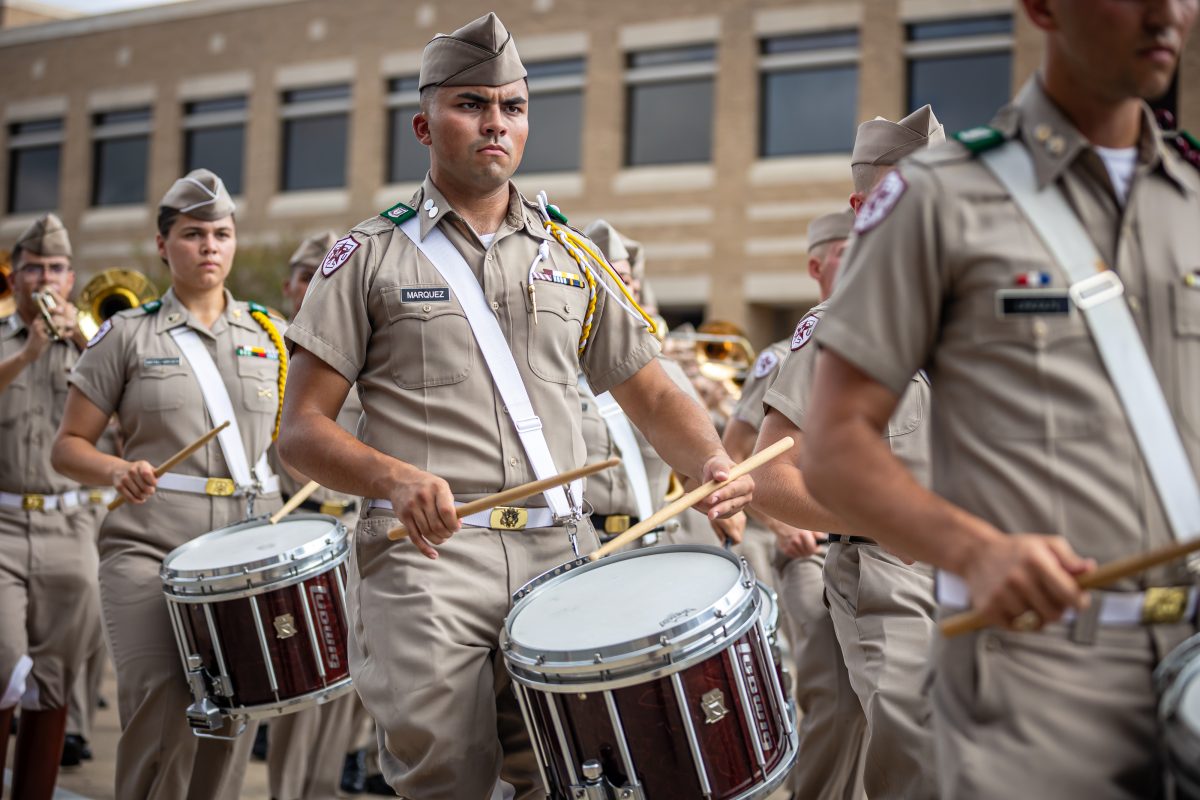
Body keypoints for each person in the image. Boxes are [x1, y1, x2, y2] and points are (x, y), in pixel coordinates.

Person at [276, 13, 752, 799]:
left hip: (562, 555)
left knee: (565, 776)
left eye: (513, 106)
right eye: (472, 104)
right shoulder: (367, 257)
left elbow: (655, 390)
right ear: (425, 124)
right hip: (431, 559)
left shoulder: (574, 257)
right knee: (448, 774)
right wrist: (392, 478)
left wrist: (709, 460)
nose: (495, 122)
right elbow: (302, 431)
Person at [801, 1, 1200, 797]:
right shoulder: (938, 199)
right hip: (1032, 682)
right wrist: (974, 550)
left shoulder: (1191, 197)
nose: (1166, 13)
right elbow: (832, 445)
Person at [51, 168, 285, 799]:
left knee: (230, 723)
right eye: (192, 234)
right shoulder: (126, 336)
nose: (209, 246)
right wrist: (116, 469)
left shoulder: (272, 337)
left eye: (221, 233)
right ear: (163, 246)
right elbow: (68, 447)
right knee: (161, 700)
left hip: (244, 556)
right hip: (149, 547)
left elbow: (297, 445)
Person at [753, 110, 942, 799]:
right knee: (920, 760)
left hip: (988, 567)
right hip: (891, 575)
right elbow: (768, 478)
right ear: (862, 209)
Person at [724, 210, 867, 800]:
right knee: (832, 698)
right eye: (846, 248)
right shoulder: (787, 353)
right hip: (814, 552)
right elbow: (738, 455)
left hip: (899, 553)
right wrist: (782, 525)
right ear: (817, 265)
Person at [0, 213, 101, 799]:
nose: (45, 277)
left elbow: (129, 407)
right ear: (14, 275)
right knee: (3, 666)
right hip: (4, 521)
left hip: (70, 522)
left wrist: (85, 342)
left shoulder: (92, 342)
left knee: (55, 680)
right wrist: (28, 354)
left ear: (70, 278)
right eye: (34, 267)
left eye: (57, 268)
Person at [264, 230, 365, 800]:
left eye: (322, 273)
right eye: (305, 274)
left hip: (348, 526)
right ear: (289, 284)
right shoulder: (266, 348)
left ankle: (328, 782)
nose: (312, 285)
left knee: (349, 672)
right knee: (302, 677)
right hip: (289, 528)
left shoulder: (351, 346)